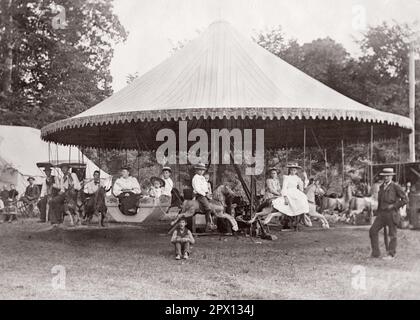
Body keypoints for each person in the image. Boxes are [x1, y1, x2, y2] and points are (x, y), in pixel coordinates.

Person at [369, 168, 408, 260]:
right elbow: (380, 201)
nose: (386, 177)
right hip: (382, 214)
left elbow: (405, 200)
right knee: (373, 231)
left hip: (392, 214)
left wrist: (394, 206)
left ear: (391, 176)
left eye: (388, 176)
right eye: (384, 176)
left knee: (392, 235)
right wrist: (377, 213)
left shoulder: (396, 186)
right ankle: (376, 253)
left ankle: (391, 254)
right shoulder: (381, 187)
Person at [192, 163, 216, 232]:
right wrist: (205, 195)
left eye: (202, 170)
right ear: (197, 170)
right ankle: (207, 225)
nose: (201, 171)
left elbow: (205, 187)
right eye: (199, 170)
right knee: (208, 208)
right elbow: (197, 189)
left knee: (214, 205)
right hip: (200, 195)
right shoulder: (195, 178)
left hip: (205, 194)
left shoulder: (202, 177)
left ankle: (213, 223)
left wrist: (208, 193)